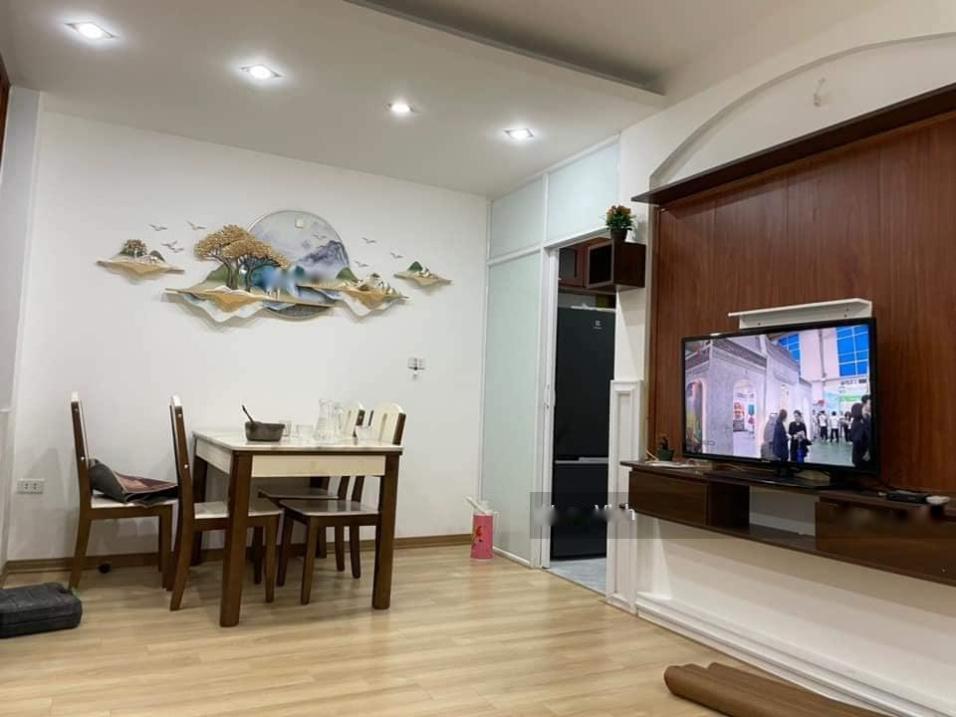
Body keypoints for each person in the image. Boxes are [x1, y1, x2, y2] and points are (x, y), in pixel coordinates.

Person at [849, 402, 871, 469]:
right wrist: (867, 451)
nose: (866, 411)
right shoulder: (858, 423)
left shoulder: (864, 420)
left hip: (863, 454)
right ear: (859, 411)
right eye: (864, 409)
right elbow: (856, 440)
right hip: (862, 456)